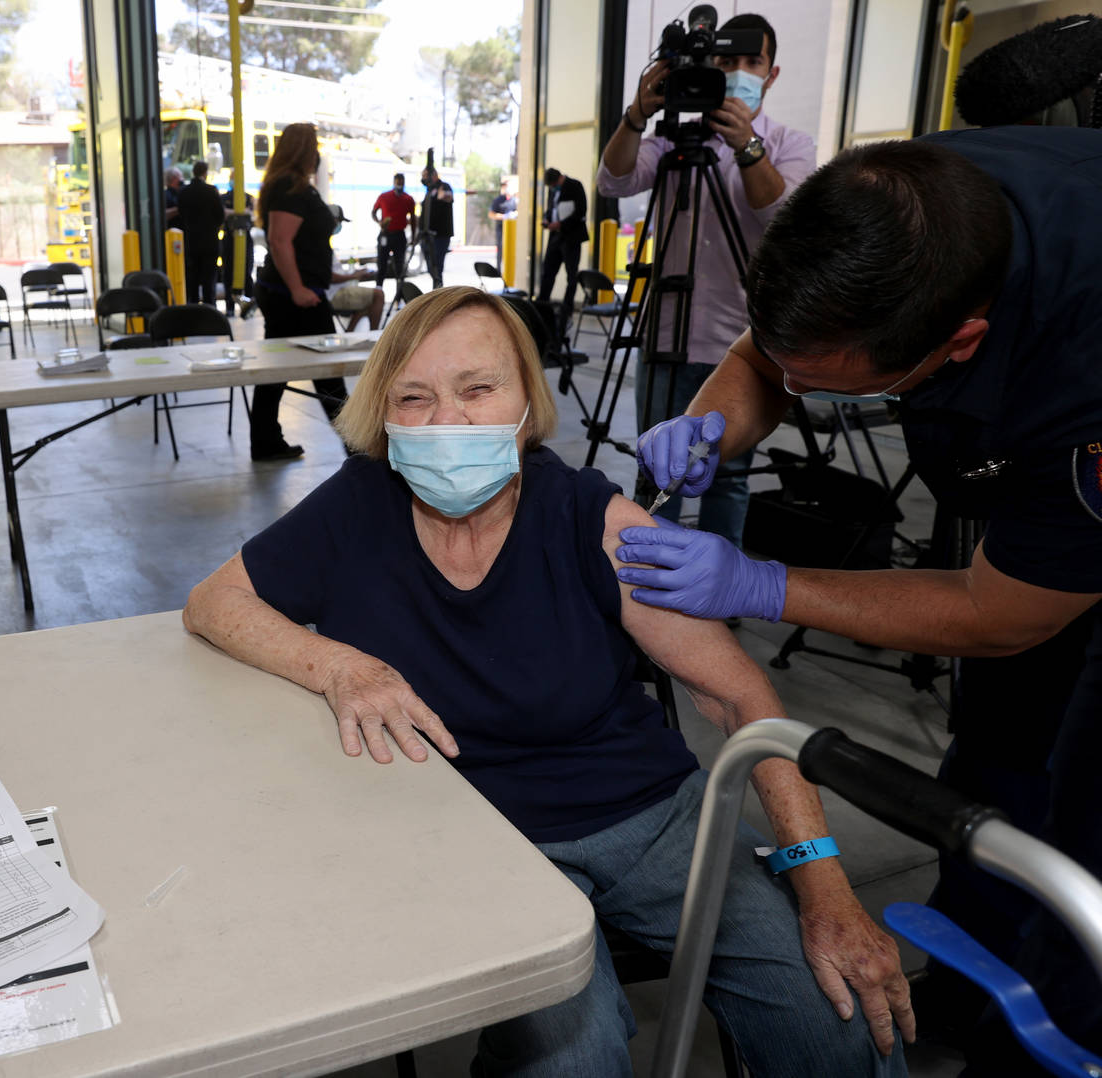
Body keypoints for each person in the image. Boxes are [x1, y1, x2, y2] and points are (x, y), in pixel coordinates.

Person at [183, 285, 913, 1078]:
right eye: (414, 398)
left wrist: (826, 887)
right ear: (382, 416)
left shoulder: (589, 517)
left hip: (654, 816)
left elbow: (742, 697)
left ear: (527, 402)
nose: (448, 422)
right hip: (474, 834)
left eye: (478, 389)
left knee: (836, 1017)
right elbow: (214, 602)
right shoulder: (357, 507)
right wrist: (340, 665)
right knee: (576, 1059)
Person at [616, 126, 1102, 1076]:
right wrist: (712, 417)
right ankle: (965, 996)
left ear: (959, 342)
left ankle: (1049, 1047)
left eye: (821, 387)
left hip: (1070, 492)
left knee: (1087, 826)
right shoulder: (899, 213)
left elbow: (1003, 614)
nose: (792, 394)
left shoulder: (1082, 366)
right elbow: (768, 357)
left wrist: (765, 583)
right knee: (996, 759)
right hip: (1033, 486)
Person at [595, 13, 815, 540]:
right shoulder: (674, 140)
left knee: (728, 479)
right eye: (727, 60)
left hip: (745, 341)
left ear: (771, 74)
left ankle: (722, 579)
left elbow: (784, 219)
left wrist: (747, 147)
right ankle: (648, 575)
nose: (738, 71)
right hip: (667, 335)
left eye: (752, 62)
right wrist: (636, 116)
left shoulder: (789, 144)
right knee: (657, 472)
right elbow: (613, 180)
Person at [249, 122, 348, 463]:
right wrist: (298, 289)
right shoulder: (289, 187)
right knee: (328, 372)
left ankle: (265, 441)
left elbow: (301, 244)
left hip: (291, 292)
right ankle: (360, 452)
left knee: (276, 370)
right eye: (314, 146)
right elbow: (280, 241)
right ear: (303, 150)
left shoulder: (293, 185)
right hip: (293, 297)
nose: (317, 153)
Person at [536, 167, 588, 336]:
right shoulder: (553, 190)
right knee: (548, 272)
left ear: (559, 178)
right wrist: (547, 219)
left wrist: (561, 224)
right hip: (555, 237)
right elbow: (552, 208)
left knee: (571, 275)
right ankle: (542, 306)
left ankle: (567, 309)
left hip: (571, 237)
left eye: (553, 185)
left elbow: (581, 211)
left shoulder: (575, 186)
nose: (553, 188)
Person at [175, 160, 226, 307]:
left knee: (193, 277)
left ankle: (193, 306)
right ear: (205, 173)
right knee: (209, 279)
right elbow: (220, 215)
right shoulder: (211, 191)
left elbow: (181, 213)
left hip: (191, 241)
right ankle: (209, 308)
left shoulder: (184, 191)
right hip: (210, 241)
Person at [371, 172, 416, 288]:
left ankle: (399, 294)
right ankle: (378, 290)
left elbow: (413, 219)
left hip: (399, 236)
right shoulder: (384, 196)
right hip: (385, 234)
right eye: (398, 182)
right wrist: (379, 222)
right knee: (382, 265)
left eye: (401, 182)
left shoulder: (408, 199)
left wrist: (414, 237)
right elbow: (373, 212)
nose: (399, 184)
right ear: (394, 182)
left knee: (400, 267)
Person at [221, 187, 256, 317]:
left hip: (245, 238)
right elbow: (224, 213)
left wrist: (233, 213)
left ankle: (249, 303)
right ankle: (230, 307)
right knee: (228, 273)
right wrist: (240, 212)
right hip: (229, 238)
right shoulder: (224, 197)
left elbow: (250, 213)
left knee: (247, 272)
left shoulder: (248, 197)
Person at [418, 163, 454, 288]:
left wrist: (442, 196)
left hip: (440, 236)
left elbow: (448, 197)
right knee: (431, 267)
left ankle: (439, 291)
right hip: (427, 236)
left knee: (437, 267)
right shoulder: (429, 191)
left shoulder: (443, 186)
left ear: (433, 175)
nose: (423, 179)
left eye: (425, 176)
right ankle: (437, 290)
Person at [488, 178, 517, 272]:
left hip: (513, 229)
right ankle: (499, 270)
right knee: (501, 249)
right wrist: (504, 216)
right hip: (501, 229)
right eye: (505, 186)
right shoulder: (498, 200)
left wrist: (515, 215)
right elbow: (491, 214)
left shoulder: (515, 200)